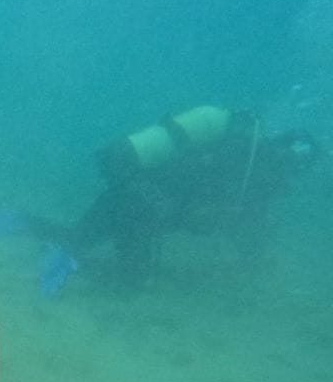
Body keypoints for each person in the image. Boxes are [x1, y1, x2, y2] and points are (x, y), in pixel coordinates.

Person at [31, 105, 321, 290]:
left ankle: (17, 225)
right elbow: (224, 218)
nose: (286, 181)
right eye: (291, 170)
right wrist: (252, 257)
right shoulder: (248, 170)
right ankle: (65, 263)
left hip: (130, 187)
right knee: (130, 280)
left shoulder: (238, 152)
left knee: (78, 236)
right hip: (144, 207)